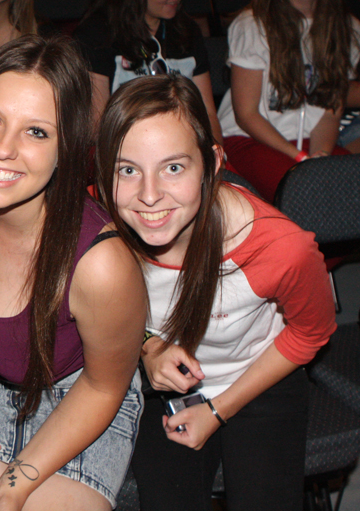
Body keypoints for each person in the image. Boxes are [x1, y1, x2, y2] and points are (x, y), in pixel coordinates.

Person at [94, 73, 336, 511]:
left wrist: (219, 409)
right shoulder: (98, 221)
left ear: (213, 161)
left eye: (173, 167)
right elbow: (96, 316)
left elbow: (311, 334)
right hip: (159, 384)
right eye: (128, 169)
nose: (149, 196)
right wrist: (149, 349)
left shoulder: (280, 249)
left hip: (259, 374)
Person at [0, 34, 147, 511]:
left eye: (36, 132)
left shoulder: (101, 264)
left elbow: (105, 385)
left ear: (67, 146)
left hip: (77, 395)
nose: (3, 149)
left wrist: (17, 483)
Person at [216, 0, 360, 202]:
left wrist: (319, 156)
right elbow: (246, 114)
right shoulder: (253, 24)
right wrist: (298, 157)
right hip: (250, 140)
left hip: (311, 140)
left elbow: (330, 108)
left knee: (357, 187)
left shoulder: (347, 27)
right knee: (305, 193)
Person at [76, 0, 223, 141]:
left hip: (184, 145)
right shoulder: (99, 34)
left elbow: (207, 113)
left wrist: (214, 155)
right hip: (123, 149)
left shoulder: (187, 31)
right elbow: (96, 127)